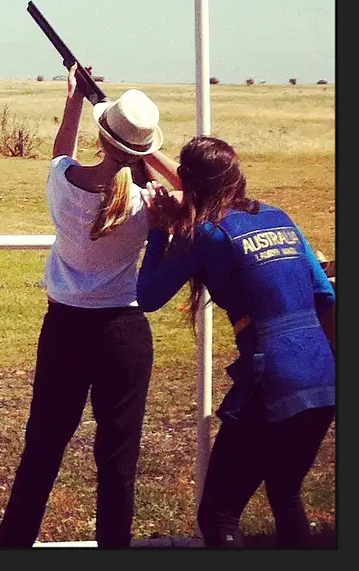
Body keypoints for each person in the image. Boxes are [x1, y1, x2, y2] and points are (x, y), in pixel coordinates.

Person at [0, 65, 181, 548]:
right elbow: (194, 192)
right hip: (124, 331)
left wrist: (75, 96)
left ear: (103, 140)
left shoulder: (64, 182)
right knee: (118, 458)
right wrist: (146, 154)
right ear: (142, 150)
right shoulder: (149, 204)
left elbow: (61, 151)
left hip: (65, 330)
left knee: (43, 446)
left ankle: (13, 544)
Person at [137, 135, 335, 547]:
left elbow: (150, 295)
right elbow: (325, 296)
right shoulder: (280, 216)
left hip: (272, 381)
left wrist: (159, 231)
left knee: (219, 515)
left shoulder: (206, 234)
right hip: (324, 376)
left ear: (189, 184)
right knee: (285, 494)